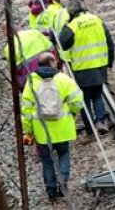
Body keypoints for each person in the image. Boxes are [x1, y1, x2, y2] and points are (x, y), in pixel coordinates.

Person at [21, 52, 84, 201]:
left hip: (42, 131)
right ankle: (63, 180)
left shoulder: (31, 82)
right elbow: (78, 101)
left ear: (39, 65)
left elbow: (26, 110)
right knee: (63, 153)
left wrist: (28, 131)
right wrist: (72, 113)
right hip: (62, 128)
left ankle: (51, 191)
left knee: (47, 160)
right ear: (53, 62)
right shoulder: (64, 79)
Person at [58, 0, 114, 136]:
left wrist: (66, 25)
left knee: (84, 100)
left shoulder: (73, 25)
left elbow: (62, 43)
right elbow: (110, 42)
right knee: (97, 95)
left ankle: (90, 128)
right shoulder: (96, 19)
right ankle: (100, 121)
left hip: (82, 69)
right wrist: (110, 62)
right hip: (100, 65)